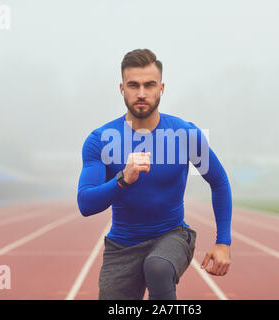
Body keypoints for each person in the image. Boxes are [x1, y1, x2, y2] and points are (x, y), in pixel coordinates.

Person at [77, 48, 232, 300]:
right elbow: (85, 204)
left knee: (157, 267)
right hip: (122, 245)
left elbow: (219, 183)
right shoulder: (100, 140)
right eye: (133, 85)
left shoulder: (185, 135)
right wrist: (122, 179)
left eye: (149, 85)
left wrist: (223, 242)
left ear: (161, 88)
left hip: (172, 235)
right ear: (121, 88)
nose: (141, 93)